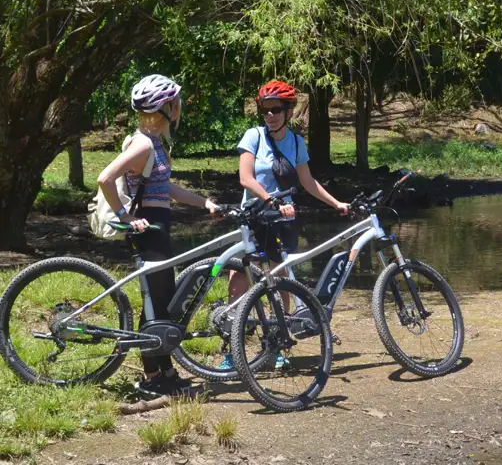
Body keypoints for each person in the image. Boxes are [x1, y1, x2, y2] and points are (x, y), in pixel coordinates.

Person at [97, 74, 219, 396]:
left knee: (162, 302)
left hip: (157, 229)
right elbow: (105, 178)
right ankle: (152, 378)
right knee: (155, 303)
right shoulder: (143, 144)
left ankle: (165, 371)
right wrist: (126, 217)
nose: (179, 107)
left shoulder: (154, 143)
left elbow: (167, 189)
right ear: (165, 107)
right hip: (147, 230)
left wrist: (203, 202)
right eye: (175, 102)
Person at [218, 80, 348, 370]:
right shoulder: (253, 136)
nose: (270, 115)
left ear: (288, 111)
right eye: (265, 110)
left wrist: (336, 203)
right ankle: (231, 350)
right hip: (253, 217)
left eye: (276, 109)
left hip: (282, 221)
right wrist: (271, 201)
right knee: (238, 280)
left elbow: (308, 181)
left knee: (280, 282)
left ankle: (275, 345)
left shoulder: (296, 142)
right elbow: (245, 178)